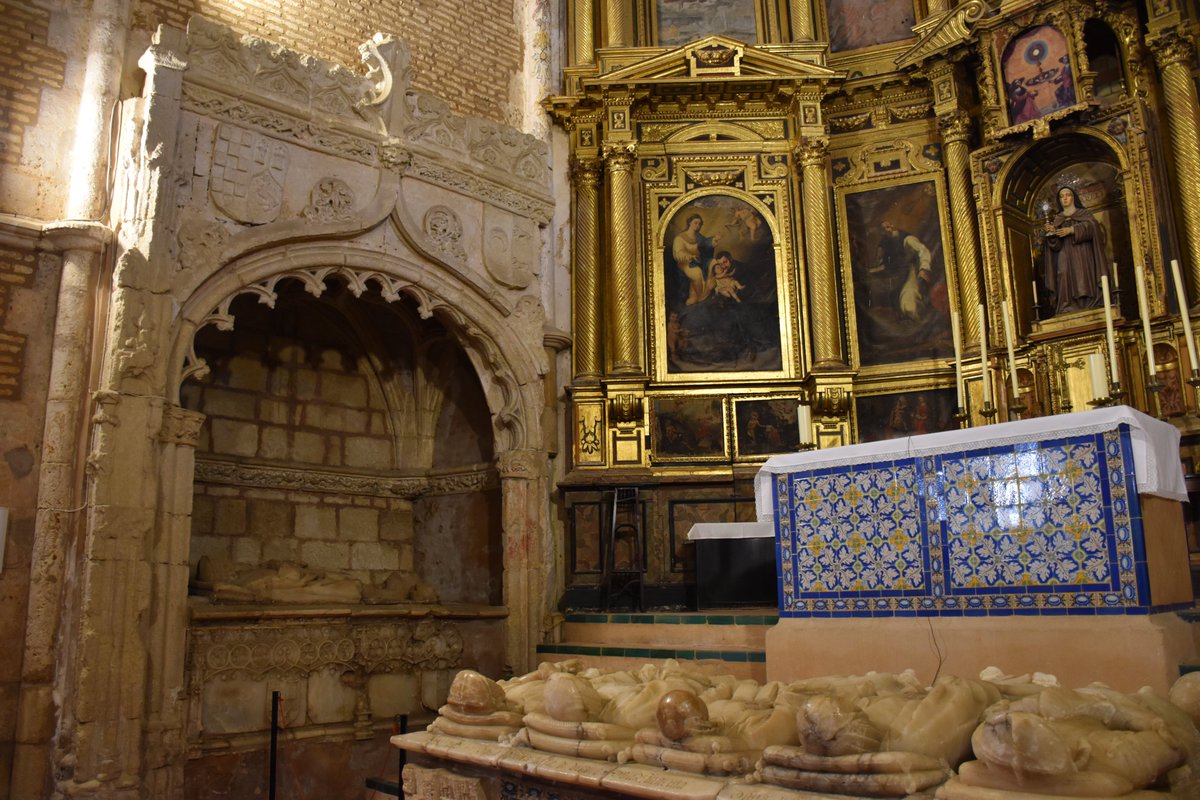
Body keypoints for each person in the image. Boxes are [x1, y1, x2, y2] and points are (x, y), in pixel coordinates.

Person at [1042, 185, 1109, 315]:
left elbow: (1093, 228)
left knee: (1082, 275)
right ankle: (1066, 305)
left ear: (1073, 197)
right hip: (1064, 253)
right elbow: (1055, 246)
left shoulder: (1083, 214)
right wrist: (1052, 233)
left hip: (1082, 252)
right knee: (1063, 273)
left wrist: (1072, 230)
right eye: (1061, 196)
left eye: (1067, 195)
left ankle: (1087, 304)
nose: (1065, 198)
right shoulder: (1058, 219)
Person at [876, 220, 934, 321]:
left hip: (913, 272)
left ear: (892, 226)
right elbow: (885, 265)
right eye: (884, 229)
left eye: (888, 227)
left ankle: (921, 325)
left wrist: (924, 268)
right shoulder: (886, 244)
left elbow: (923, 250)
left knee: (908, 304)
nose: (887, 230)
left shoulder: (907, 239)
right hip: (900, 278)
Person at [671, 214, 717, 305]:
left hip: (700, 260)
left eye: (700, 224)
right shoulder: (680, 238)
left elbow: (705, 245)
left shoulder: (698, 237)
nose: (697, 225)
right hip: (686, 263)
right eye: (695, 223)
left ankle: (705, 292)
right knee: (697, 273)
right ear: (689, 223)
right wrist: (690, 256)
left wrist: (714, 241)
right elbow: (679, 253)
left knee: (713, 263)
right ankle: (700, 297)